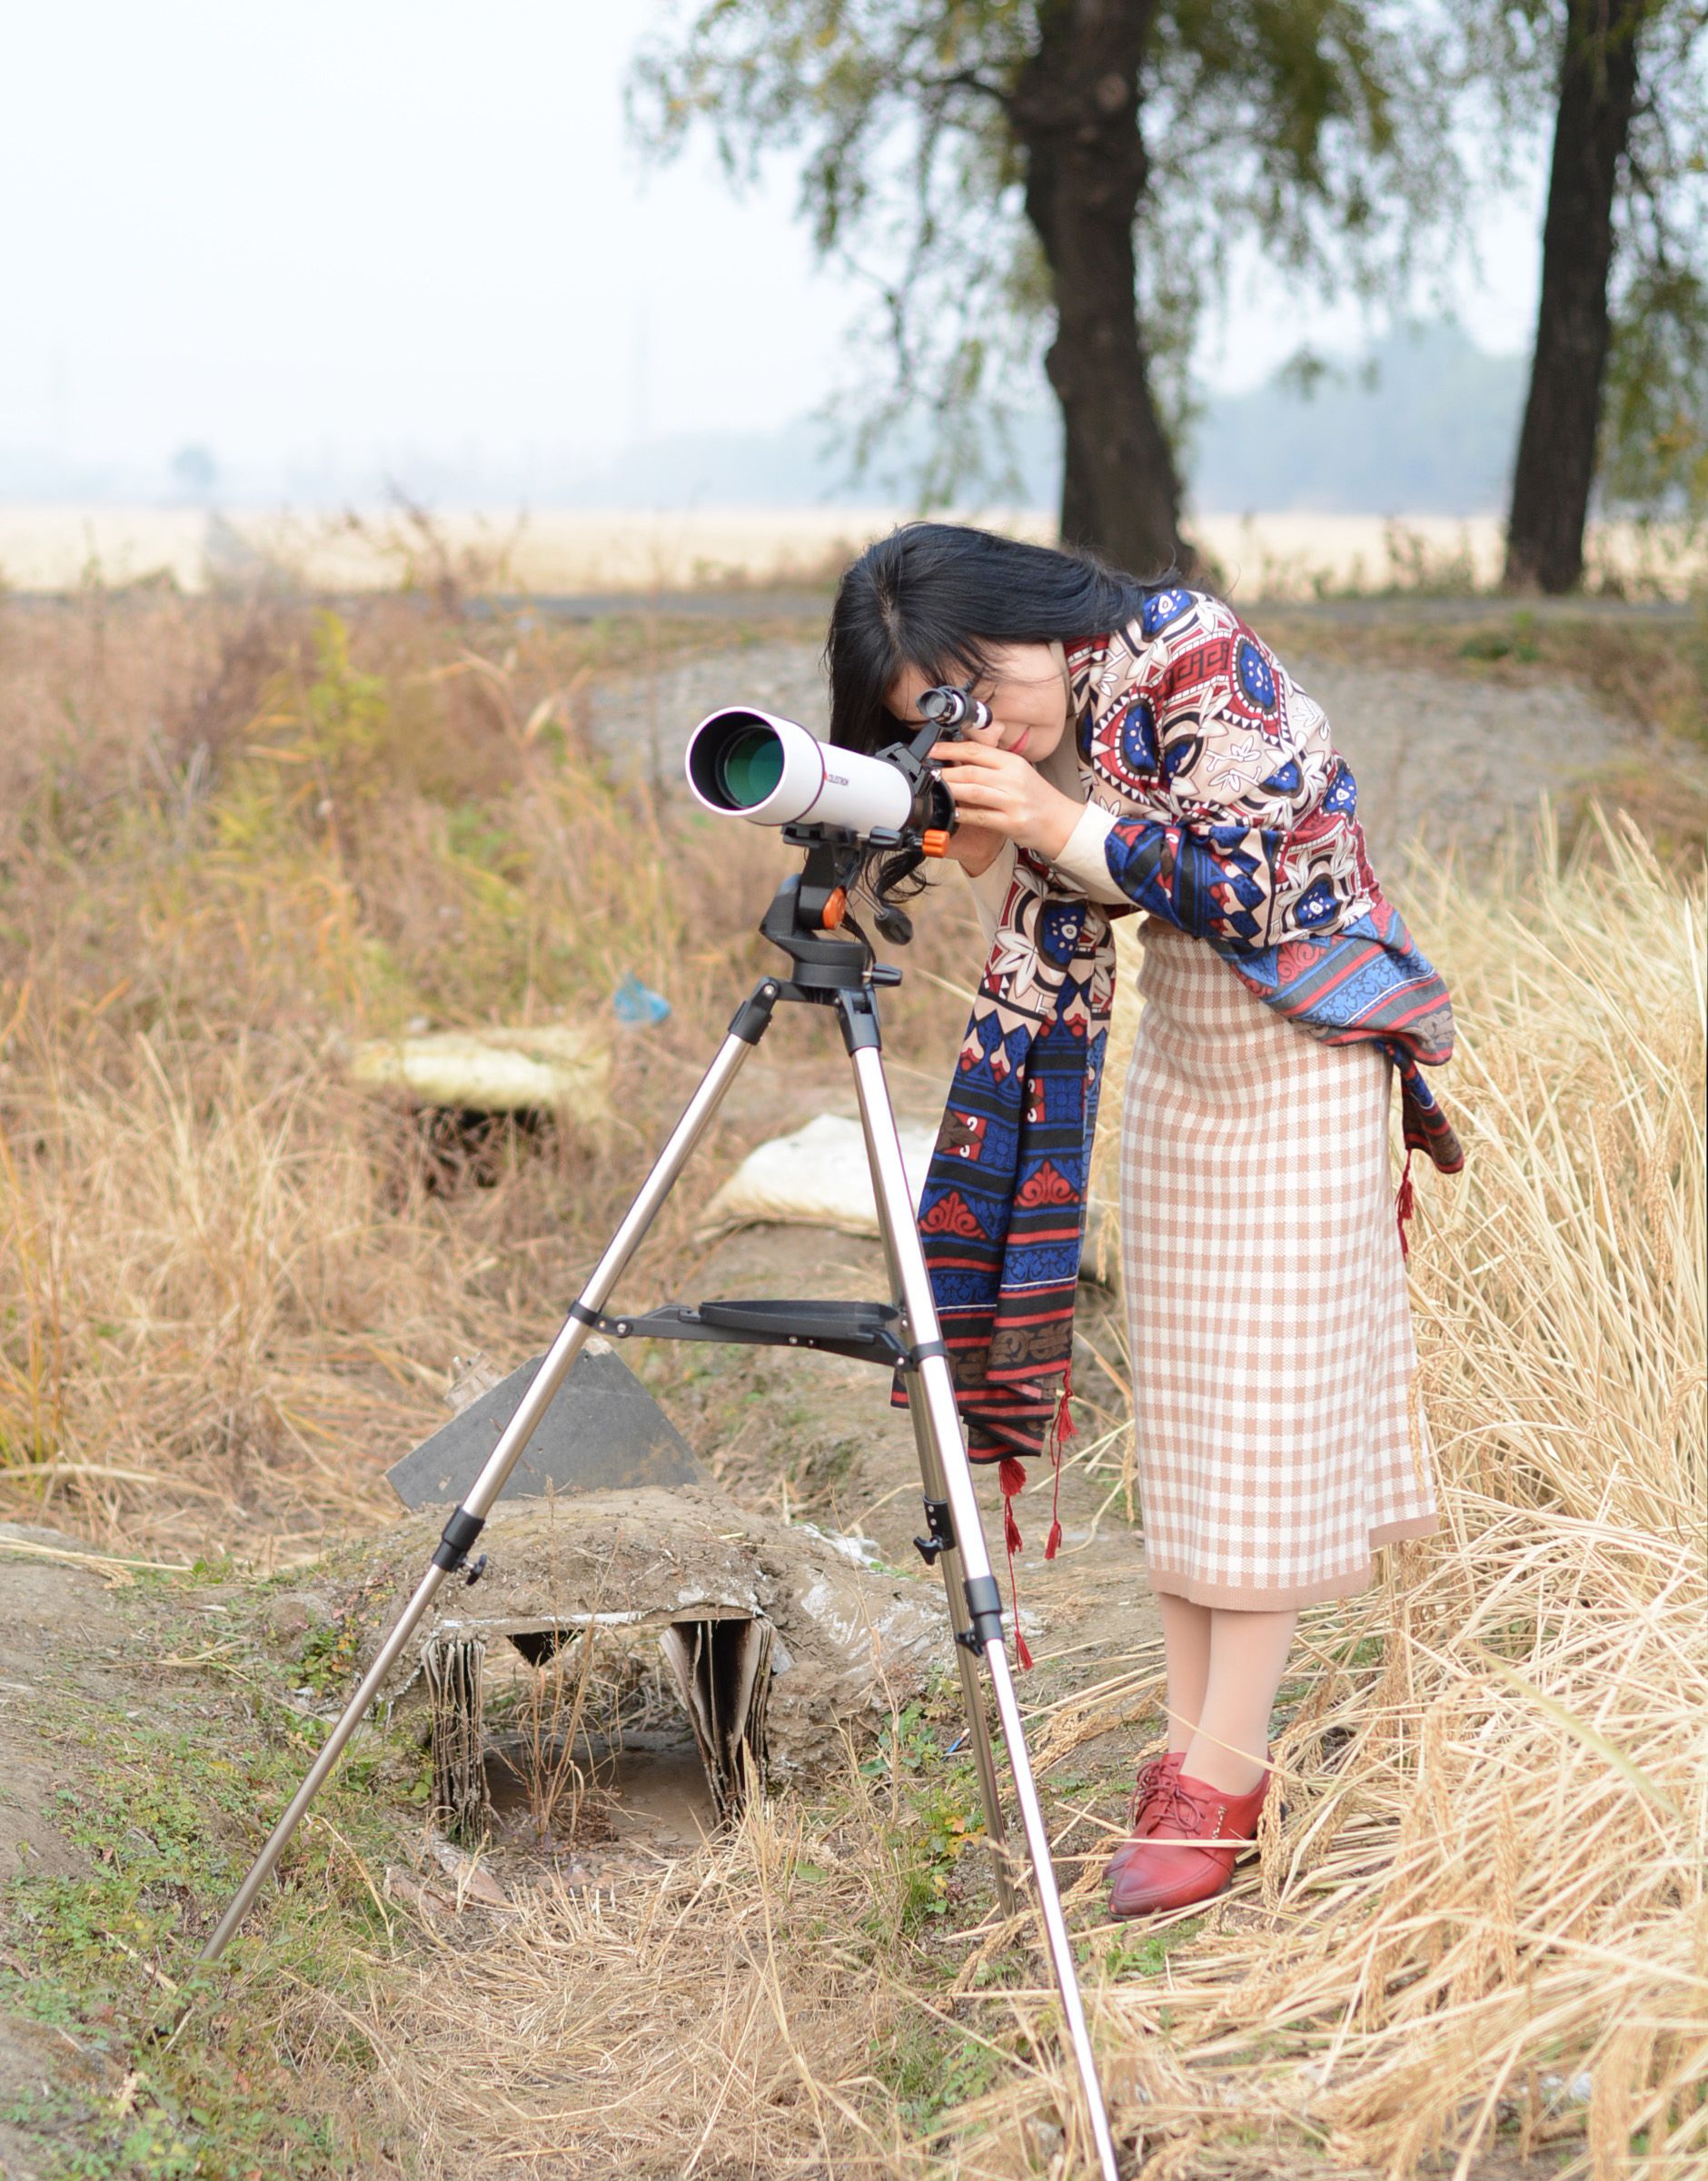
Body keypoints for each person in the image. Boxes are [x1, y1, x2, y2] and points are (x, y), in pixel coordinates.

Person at [825, 522, 1463, 1918]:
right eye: (942, 710)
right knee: (1192, 1423)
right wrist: (1000, 834)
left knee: (1269, 1420)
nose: (986, 719)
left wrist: (1055, 821)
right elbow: (1077, 894)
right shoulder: (1045, 728)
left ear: (1027, 610)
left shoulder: (1193, 651)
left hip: (1305, 1060)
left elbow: (1253, 881)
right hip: (1187, 1067)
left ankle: (1225, 1778)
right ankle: (1189, 1751)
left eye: (983, 680)